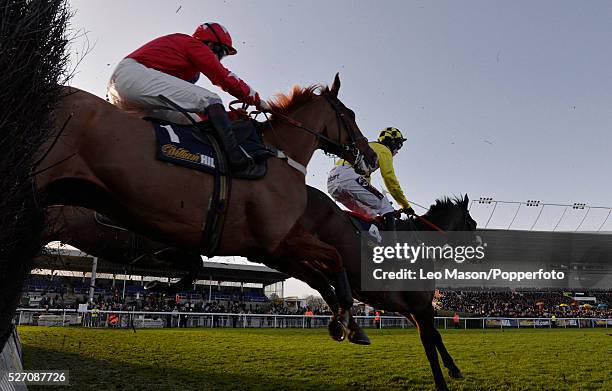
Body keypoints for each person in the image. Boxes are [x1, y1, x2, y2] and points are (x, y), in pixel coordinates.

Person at [107, 22, 270, 168]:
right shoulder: (193, 44)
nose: (220, 58)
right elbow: (222, 76)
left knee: (193, 120)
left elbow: (190, 108)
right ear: (211, 44)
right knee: (210, 99)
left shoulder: (190, 67)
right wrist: (255, 99)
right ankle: (234, 156)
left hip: (128, 94)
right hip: (131, 75)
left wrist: (231, 117)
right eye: (222, 52)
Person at [327, 127, 414, 230]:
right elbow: (390, 179)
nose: (397, 151)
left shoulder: (369, 147)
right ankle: (391, 243)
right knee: (385, 206)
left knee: (371, 214)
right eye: (399, 145)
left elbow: (365, 185)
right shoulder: (384, 150)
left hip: (332, 183)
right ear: (393, 142)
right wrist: (405, 206)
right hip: (348, 176)